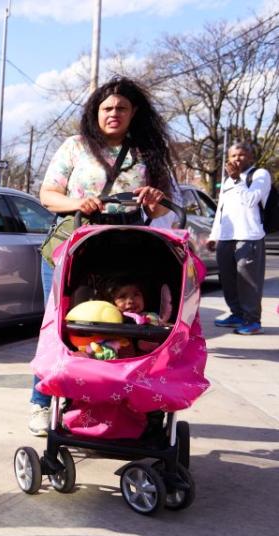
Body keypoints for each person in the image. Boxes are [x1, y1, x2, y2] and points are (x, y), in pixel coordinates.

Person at [29, 76, 178, 436]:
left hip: (127, 249)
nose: (114, 113)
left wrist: (155, 202)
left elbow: (163, 208)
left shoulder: (147, 152)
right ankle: (42, 403)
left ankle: (121, 400)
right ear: (95, 113)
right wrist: (78, 203)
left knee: (125, 327)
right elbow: (48, 194)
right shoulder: (75, 147)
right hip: (73, 248)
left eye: (121, 108)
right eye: (107, 108)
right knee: (60, 328)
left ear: (134, 112)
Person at [206, 141, 270, 335]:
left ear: (250, 157)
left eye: (241, 155)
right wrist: (213, 235)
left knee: (248, 281)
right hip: (226, 237)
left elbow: (251, 200)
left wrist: (237, 179)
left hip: (249, 236)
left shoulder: (260, 175)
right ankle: (237, 314)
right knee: (228, 279)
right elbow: (221, 211)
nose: (236, 159)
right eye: (233, 156)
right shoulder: (227, 181)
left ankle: (252, 320)